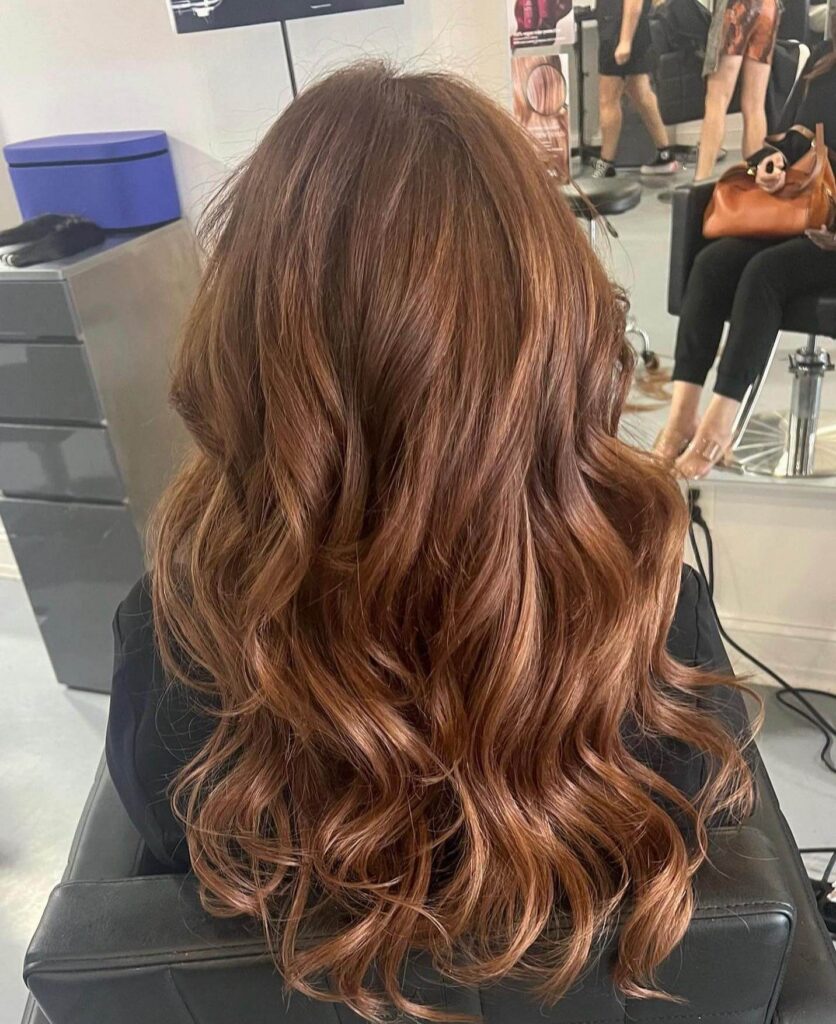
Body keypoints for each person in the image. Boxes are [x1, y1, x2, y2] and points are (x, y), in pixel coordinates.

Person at [106, 64, 752, 1021]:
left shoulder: (175, 643)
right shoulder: (660, 623)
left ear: (247, 349)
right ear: (555, 333)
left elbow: (176, 884)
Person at [658, 39, 836, 479]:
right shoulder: (827, 57)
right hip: (807, 211)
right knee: (713, 264)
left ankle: (719, 428)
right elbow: (797, 137)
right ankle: (682, 417)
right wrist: (771, 163)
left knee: (765, 273)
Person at [695, 0, 780, 181]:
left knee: (717, 101)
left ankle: (701, 181)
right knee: (755, 105)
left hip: (736, 7)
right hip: (769, 7)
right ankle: (756, 182)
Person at [593, 0, 680, 177]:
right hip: (624, 28)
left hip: (619, 30)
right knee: (639, 90)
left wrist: (625, 41)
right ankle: (665, 154)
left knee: (608, 98)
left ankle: (605, 165)